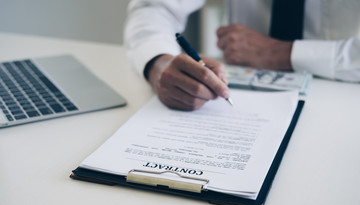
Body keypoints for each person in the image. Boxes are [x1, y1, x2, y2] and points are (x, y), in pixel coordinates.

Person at [124, 0, 360, 110]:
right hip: (243, 84)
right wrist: (158, 61)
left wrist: (281, 53)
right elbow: (154, 7)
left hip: (342, 97)